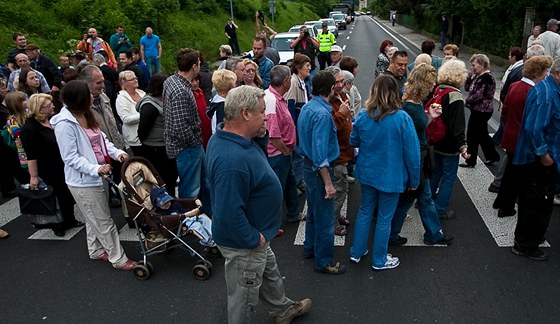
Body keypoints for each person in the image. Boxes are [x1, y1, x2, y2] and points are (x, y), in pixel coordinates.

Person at [206, 85, 311, 323]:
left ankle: (282, 309)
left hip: (257, 233)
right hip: (245, 241)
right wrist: (254, 239)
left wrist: (262, 135)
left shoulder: (230, 137)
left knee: (269, 271)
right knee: (243, 297)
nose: (265, 116)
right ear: (245, 114)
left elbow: (256, 162)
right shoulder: (232, 160)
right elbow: (227, 212)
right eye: (261, 111)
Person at [51, 80, 136, 270]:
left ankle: (95, 249)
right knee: (103, 220)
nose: (93, 96)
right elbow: (70, 158)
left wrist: (117, 153)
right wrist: (95, 169)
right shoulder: (65, 125)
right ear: (80, 99)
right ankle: (118, 258)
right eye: (88, 93)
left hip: (99, 174)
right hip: (84, 181)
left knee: (94, 216)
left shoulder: (86, 115)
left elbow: (102, 140)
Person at [348, 74, 420, 270]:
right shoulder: (402, 118)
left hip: (368, 172)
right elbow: (412, 154)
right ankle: (379, 259)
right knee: (385, 218)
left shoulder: (363, 115)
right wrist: (415, 179)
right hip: (392, 176)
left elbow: (353, 141)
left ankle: (357, 251)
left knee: (365, 211)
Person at [388, 63, 453, 246]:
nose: (433, 87)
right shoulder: (409, 107)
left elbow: (419, 128)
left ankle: (430, 234)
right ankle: (430, 234)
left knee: (418, 198)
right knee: (416, 198)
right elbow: (409, 135)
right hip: (415, 158)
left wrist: (430, 117)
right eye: (431, 83)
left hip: (419, 156)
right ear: (423, 83)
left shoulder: (414, 103)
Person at [297, 71, 346, 275]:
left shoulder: (309, 107)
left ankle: (310, 248)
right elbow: (320, 155)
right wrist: (328, 182)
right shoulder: (323, 115)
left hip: (308, 167)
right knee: (326, 219)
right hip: (319, 171)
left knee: (314, 212)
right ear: (331, 88)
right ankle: (324, 261)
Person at [511, 57, 560, 261]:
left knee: (534, 201)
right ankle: (526, 244)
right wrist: (544, 154)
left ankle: (529, 237)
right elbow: (534, 128)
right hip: (539, 160)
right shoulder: (547, 94)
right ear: (557, 74)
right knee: (538, 202)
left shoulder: (548, 89)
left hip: (539, 158)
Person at [493, 56, 552, 218]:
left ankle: (500, 201)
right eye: (546, 71)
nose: (547, 74)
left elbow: (504, 111)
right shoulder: (533, 91)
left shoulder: (515, 85)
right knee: (517, 177)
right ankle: (506, 207)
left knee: (510, 171)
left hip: (510, 132)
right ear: (538, 72)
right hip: (521, 139)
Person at [20, 93, 84, 237]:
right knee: (54, 197)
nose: (53, 106)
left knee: (66, 195)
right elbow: (31, 156)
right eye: (49, 106)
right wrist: (34, 176)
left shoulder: (51, 121)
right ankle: (58, 225)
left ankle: (70, 219)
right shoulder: (29, 129)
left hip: (60, 164)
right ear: (39, 109)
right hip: (47, 169)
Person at [163, 48, 210, 213]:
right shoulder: (182, 91)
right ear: (194, 67)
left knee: (204, 182)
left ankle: (207, 213)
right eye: (198, 64)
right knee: (190, 188)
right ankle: (188, 221)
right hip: (188, 147)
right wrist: (195, 142)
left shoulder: (170, 81)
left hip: (185, 145)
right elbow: (181, 127)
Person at [429, 60, 469, 220]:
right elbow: (457, 125)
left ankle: (426, 200)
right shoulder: (456, 96)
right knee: (448, 177)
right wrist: (462, 145)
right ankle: (440, 209)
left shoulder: (438, 90)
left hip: (436, 140)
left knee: (435, 173)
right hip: (449, 144)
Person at [265, 65, 303, 232]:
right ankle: (272, 224)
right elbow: (273, 134)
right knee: (276, 190)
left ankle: (294, 212)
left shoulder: (276, 97)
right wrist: (285, 150)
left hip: (283, 152)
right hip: (278, 154)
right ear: (286, 82)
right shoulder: (272, 101)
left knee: (289, 183)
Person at [137, 74, 178, 195]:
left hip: (164, 146)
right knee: (162, 179)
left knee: (170, 178)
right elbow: (143, 130)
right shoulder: (149, 106)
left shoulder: (161, 100)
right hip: (155, 149)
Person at [325, 66, 352, 236]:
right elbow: (329, 129)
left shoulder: (342, 97)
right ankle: (332, 222)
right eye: (337, 82)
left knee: (342, 189)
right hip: (337, 157)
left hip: (345, 153)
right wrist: (342, 114)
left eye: (342, 81)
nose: (341, 85)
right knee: (339, 190)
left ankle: (337, 214)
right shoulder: (328, 103)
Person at [460, 54, 500, 168]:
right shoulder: (478, 76)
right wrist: (469, 76)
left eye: (474, 65)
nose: (472, 67)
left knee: (472, 134)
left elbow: (479, 95)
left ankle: (471, 160)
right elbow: (468, 88)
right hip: (478, 109)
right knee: (482, 134)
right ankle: (492, 155)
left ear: (482, 65)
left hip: (482, 110)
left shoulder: (487, 78)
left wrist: (466, 101)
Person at [284, 54, 311, 193]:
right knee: (298, 155)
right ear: (299, 68)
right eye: (307, 65)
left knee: (300, 155)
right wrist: (293, 128)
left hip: (301, 125)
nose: (310, 68)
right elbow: (290, 107)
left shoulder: (303, 82)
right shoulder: (294, 83)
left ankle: (299, 181)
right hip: (296, 126)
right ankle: (296, 184)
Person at [116, 70, 145, 156]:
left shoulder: (142, 93)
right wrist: (145, 115)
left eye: (136, 78)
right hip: (134, 139)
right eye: (132, 79)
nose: (136, 80)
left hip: (148, 136)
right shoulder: (121, 99)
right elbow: (125, 119)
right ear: (124, 83)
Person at [207, 69, 237, 133]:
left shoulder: (215, 101)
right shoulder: (222, 107)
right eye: (234, 83)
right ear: (230, 86)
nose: (236, 86)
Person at [191, 74, 212, 149]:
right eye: (192, 81)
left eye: (196, 80)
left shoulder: (200, 92)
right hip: (199, 131)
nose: (195, 83)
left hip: (207, 128)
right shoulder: (190, 95)